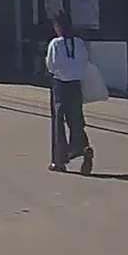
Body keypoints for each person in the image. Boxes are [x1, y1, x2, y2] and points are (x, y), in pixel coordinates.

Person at [45, 11, 95, 173]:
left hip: (60, 85)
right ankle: (82, 147)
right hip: (76, 84)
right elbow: (85, 61)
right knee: (76, 119)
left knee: (59, 121)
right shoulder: (79, 43)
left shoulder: (55, 43)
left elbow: (51, 66)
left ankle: (59, 160)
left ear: (58, 27)